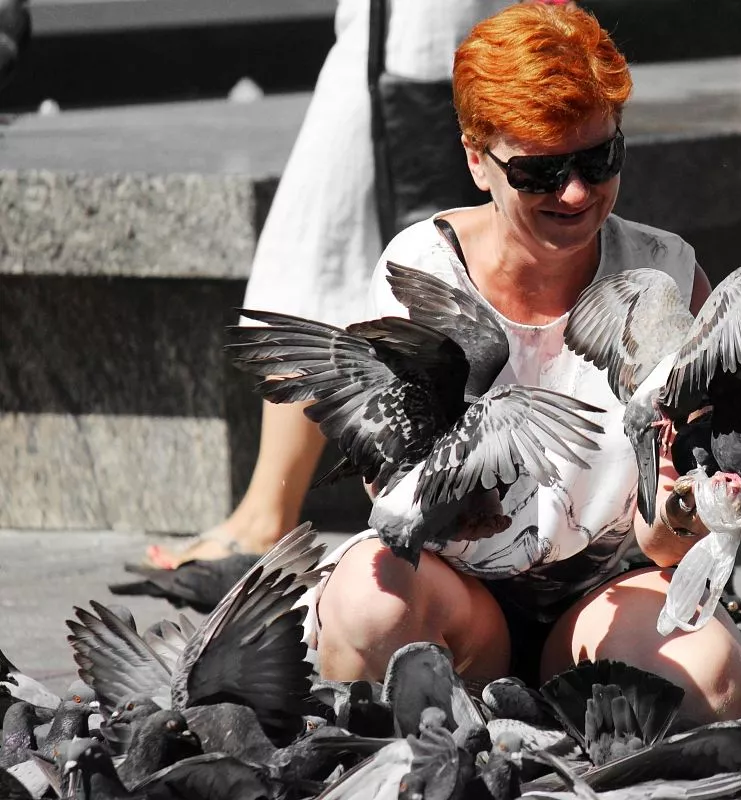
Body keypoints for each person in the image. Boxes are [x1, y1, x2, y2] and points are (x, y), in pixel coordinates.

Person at [306, 2, 741, 724]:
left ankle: (556, 712)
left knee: (715, 685)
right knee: (368, 606)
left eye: (598, 160)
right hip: (453, 595)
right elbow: (387, 488)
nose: (575, 192)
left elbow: (663, 544)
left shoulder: (667, 275)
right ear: (476, 159)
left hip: (604, 594)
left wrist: (689, 508)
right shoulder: (420, 270)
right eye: (540, 171)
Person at [145, 0, 508, 568]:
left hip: (419, 38)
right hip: (396, 36)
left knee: (317, 235)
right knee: (326, 240)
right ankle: (270, 510)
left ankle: (269, 513)